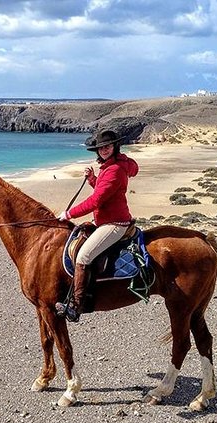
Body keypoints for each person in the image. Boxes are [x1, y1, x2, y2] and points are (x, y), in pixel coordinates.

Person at [55, 129, 139, 322]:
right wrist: (93, 179)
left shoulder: (115, 169)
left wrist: (68, 214)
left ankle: (76, 306)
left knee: (83, 257)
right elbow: (105, 192)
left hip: (115, 223)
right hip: (104, 219)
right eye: (101, 147)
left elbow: (96, 201)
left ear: (115, 146)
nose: (104, 150)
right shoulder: (109, 167)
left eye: (107, 146)